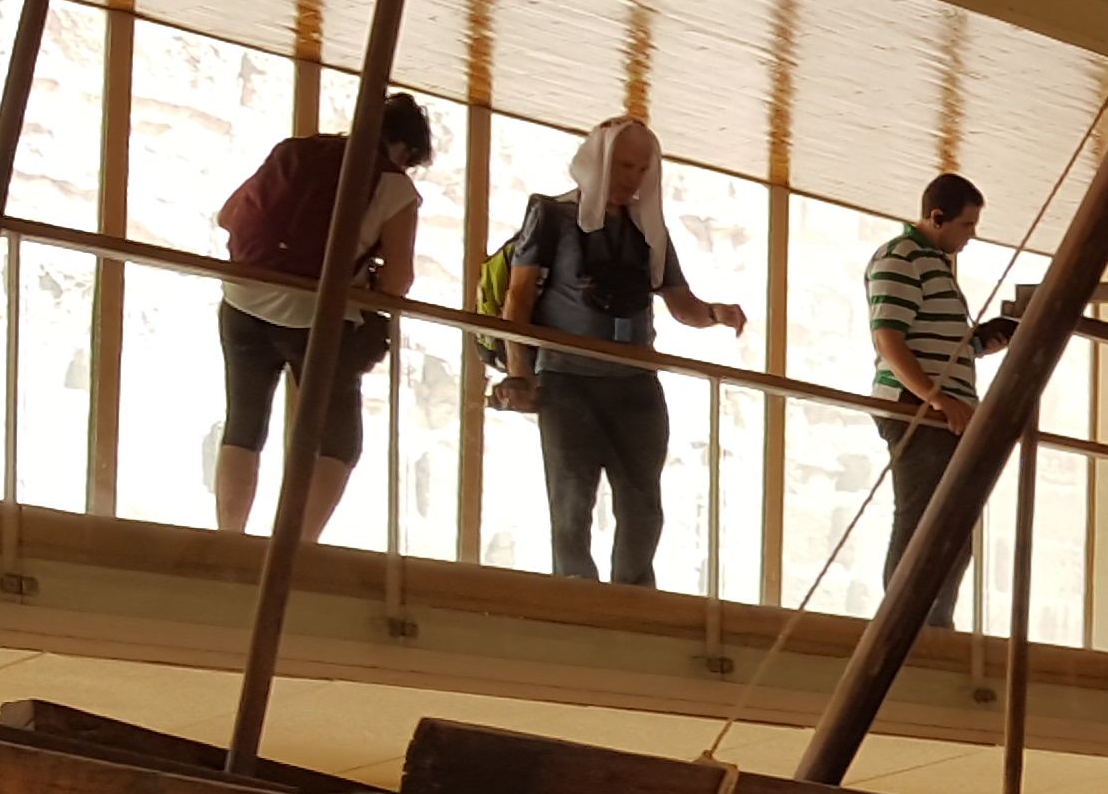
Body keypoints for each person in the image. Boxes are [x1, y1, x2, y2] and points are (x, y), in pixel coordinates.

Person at [490, 116, 747, 589]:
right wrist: (520, 372)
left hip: (634, 381)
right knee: (571, 496)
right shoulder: (551, 215)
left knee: (642, 501)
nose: (631, 177)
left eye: (641, 168)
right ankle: (574, 590)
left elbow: (679, 302)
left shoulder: (649, 228)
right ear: (599, 161)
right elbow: (519, 298)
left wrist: (715, 313)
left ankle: (634, 591)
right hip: (568, 378)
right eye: (623, 165)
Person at [212, 95, 430, 537]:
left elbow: (228, 216)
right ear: (405, 150)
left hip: (240, 298)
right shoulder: (395, 186)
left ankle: (229, 537)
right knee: (338, 442)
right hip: (316, 317)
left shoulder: (294, 149)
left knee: (244, 423)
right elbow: (398, 282)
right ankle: (297, 545)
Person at [866, 172, 985, 605]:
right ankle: (906, 622)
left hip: (943, 411)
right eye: (966, 225)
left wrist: (983, 341)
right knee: (923, 520)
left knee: (951, 527)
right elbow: (889, 340)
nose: (971, 235)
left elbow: (941, 342)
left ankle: (933, 622)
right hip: (918, 409)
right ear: (937, 217)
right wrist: (937, 399)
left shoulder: (934, 265)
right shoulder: (901, 258)